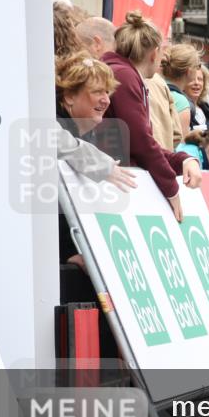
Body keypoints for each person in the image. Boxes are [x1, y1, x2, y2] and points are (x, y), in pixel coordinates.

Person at [101, 12, 202, 221]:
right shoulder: (125, 76)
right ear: (155, 54)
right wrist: (171, 189)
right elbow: (141, 143)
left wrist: (183, 160)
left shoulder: (124, 74)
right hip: (111, 189)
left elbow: (145, 144)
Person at [55, 52, 138, 268]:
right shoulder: (51, 121)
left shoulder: (85, 129)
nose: (106, 100)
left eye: (107, 92)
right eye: (97, 92)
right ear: (69, 96)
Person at [160, 43, 200, 139]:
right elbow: (179, 145)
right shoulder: (181, 101)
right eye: (198, 66)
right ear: (189, 71)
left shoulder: (157, 89)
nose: (198, 69)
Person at [184, 65, 209, 132]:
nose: (196, 83)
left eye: (200, 79)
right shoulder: (181, 107)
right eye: (191, 79)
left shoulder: (206, 109)